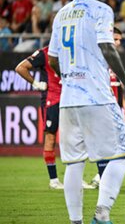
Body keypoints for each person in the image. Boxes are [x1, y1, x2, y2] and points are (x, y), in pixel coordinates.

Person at [47, 0, 125, 223]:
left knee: (74, 163)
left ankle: (76, 221)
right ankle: (102, 214)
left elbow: (52, 59)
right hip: (96, 96)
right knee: (122, 153)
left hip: (68, 100)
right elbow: (106, 46)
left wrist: (68, 79)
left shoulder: (61, 14)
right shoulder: (101, 9)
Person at [15, 46, 95, 190]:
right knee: (50, 137)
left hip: (71, 98)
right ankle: (54, 180)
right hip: (53, 99)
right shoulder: (44, 53)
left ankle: (76, 179)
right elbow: (21, 68)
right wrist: (35, 83)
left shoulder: (74, 51)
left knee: (76, 138)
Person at [90, 26, 125, 188]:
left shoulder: (115, 61)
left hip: (115, 108)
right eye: (115, 39)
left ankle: (103, 177)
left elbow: (119, 86)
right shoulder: (97, 60)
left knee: (114, 145)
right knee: (103, 143)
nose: (118, 43)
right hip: (101, 107)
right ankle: (101, 177)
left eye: (120, 39)